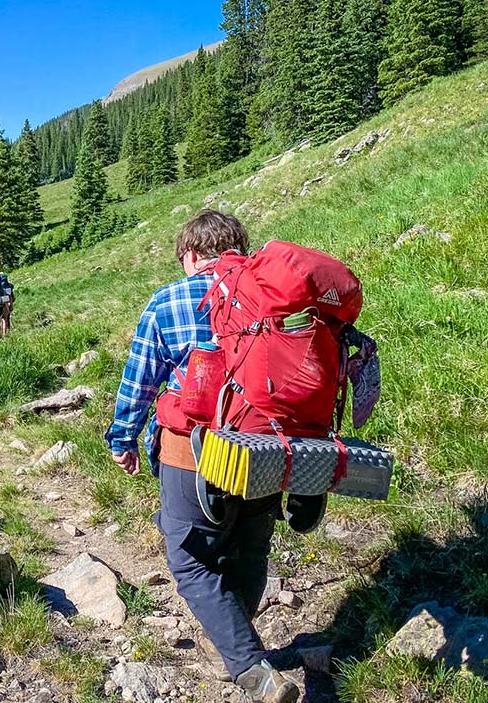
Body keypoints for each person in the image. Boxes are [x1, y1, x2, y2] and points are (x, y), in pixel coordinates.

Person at [104, 210, 299, 703]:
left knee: (191, 561)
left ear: (190, 255)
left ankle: (252, 669)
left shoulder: (170, 299)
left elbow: (140, 380)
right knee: (250, 548)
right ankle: (237, 633)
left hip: (194, 452)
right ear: (239, 246)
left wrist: (122, 439)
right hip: (268, 449)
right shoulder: (277, 294)